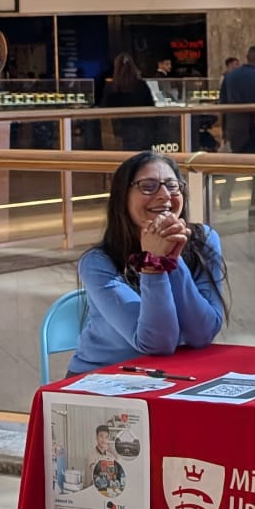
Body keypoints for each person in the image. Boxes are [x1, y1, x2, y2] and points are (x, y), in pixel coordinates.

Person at [66, 151, 225, 374]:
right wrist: (153, 266)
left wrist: (172, 258)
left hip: (171, 377)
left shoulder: (203, 239)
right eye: (148, 186)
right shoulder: (98, 262)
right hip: (103, 380)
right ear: (123, 196)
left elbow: (202, 334)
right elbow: (157, 344)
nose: (164, 195)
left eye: (172, 185)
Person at [217, 45, 255, 212]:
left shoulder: (230, 76)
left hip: (235, 127)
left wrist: (224, 130)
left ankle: (225, 198)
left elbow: (222, 103)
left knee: (234, 165)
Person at [99, 54, 157, 152]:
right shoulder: (141, 85)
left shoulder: (111, 87)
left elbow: (105, 106)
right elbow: (151, 105)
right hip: (141, 127)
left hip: (120, 128)